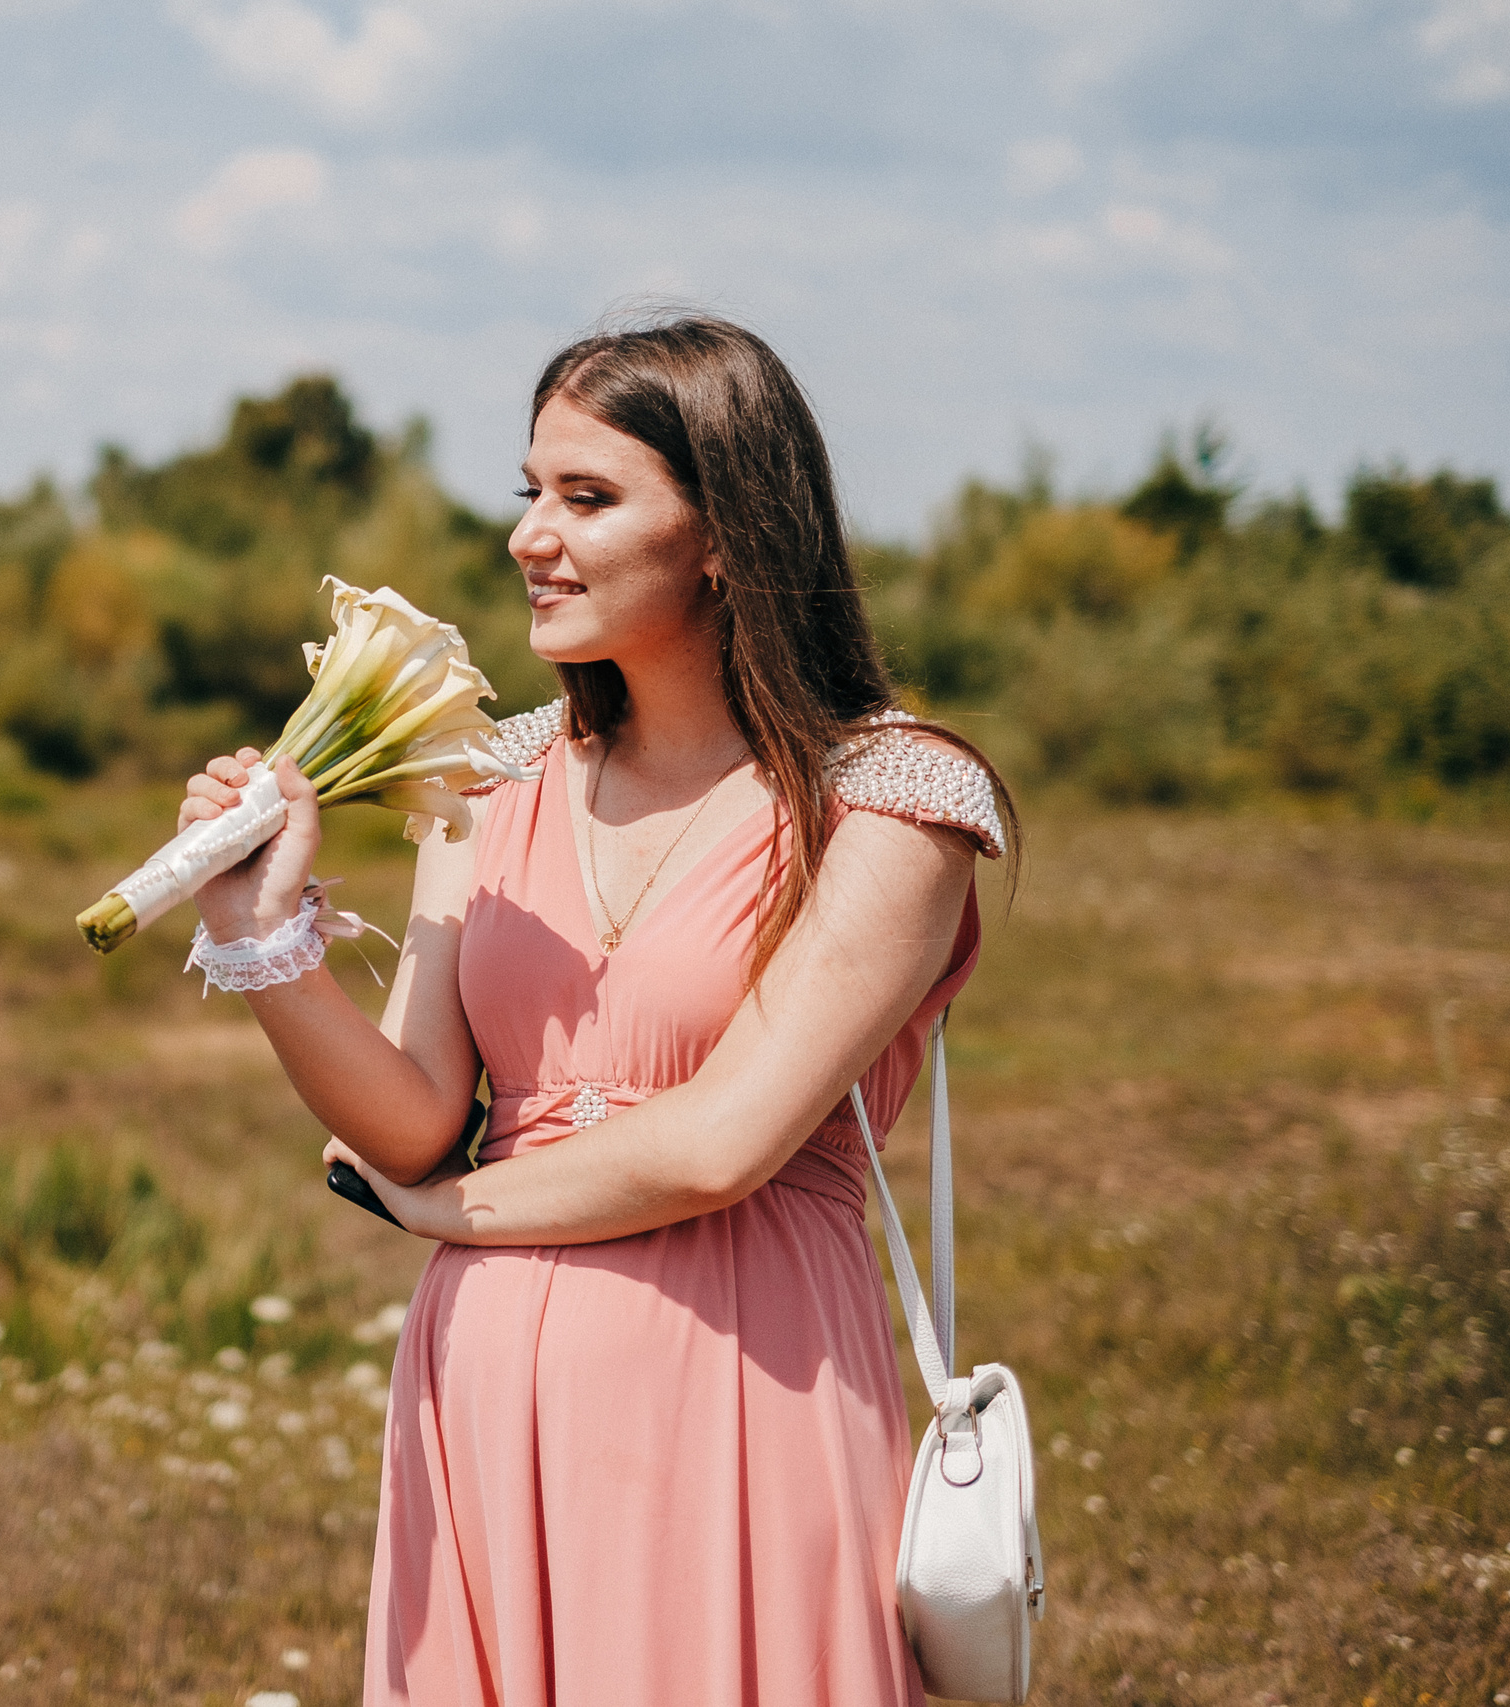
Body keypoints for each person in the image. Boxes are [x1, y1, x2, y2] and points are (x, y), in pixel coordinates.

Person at [176, 315, 1014, 1705]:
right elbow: (412, 1119)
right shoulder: (493, 781)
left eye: (588, 497)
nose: (529, 538)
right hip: (490, 1397)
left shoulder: (890, 798)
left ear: (729, 534)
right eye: (530, 494)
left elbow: (715, 1146)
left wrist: (442, 1217)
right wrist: (268, 948)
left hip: (748, 1386)